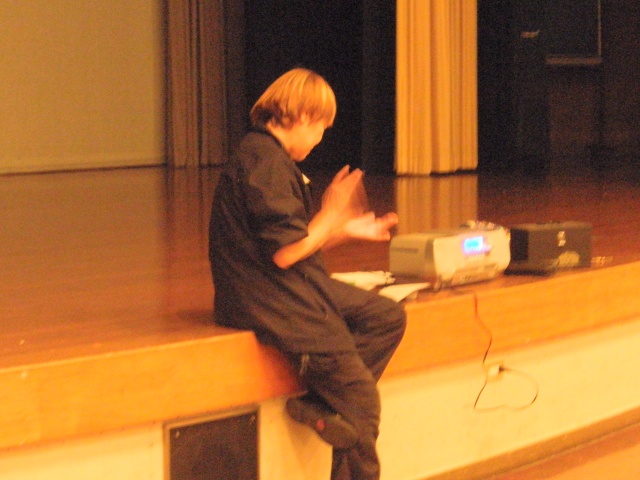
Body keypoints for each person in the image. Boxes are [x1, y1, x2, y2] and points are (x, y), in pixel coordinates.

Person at [208, 67, 406, 480]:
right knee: (361, 403)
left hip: (286, 284)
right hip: (267, 297)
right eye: (319, 128)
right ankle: (338, 399)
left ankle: (321, 403)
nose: (319, 139)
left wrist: (342, 230)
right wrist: (330, 213)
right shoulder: (262, 161)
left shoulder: (269, 157)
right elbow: (284, 254)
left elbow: (293, 245)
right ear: (301, 116)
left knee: (386, 317)